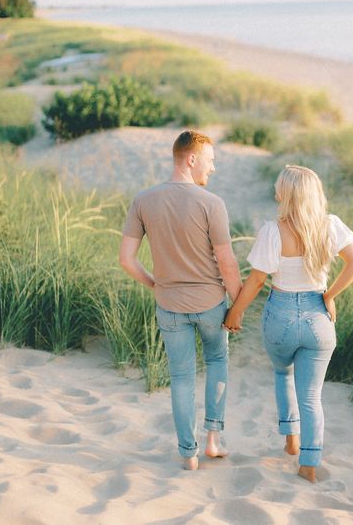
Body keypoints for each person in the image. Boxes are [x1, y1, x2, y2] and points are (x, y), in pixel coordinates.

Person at [224, 165, 353, 483]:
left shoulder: (273, 231)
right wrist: (329, 295)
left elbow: (257, 280)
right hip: (319, 318)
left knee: (282, 372)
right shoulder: (330, 226)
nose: (275, 192)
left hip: (281, 316)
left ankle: (291, 441)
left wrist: (236, 312)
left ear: (286, 195)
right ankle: (309, 466)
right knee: (312, 396)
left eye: (278, 188)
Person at [120, 130, 242, 471]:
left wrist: (155, 284)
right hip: (210, 305)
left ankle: (188, 454)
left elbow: (127, 260)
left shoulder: (143, 200)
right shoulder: (212, 203)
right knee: (217, 362)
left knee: (182, 378)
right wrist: (238, 304)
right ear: (191, 159)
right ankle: (213, 441)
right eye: (211, 160)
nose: (213, 168)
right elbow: (228, 264)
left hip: (170, 305)